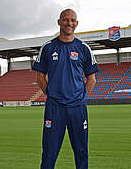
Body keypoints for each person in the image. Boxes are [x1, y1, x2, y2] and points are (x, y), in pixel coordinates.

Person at [32, 9, 99, 169]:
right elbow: (40, 77)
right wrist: (52, 94)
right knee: (49, 152)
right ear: (59, 22)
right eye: (66, 20)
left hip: (77, 108)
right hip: (55, 108)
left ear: (76, 24)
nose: (69, 23)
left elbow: (92, 79)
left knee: (81, 152)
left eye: (72, 20)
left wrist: (81, 98)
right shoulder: (48, 47)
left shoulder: (83, 48)